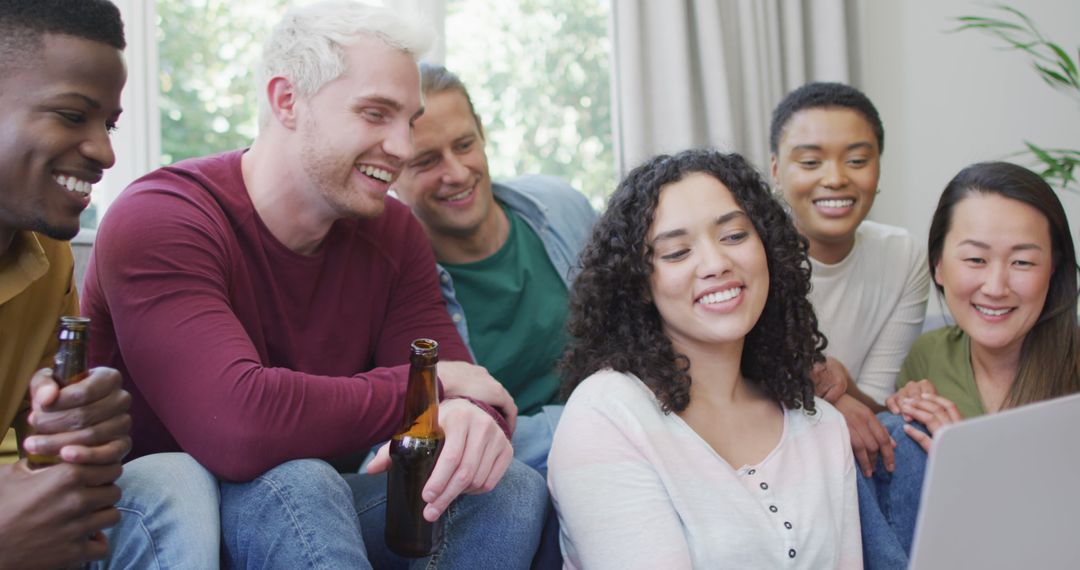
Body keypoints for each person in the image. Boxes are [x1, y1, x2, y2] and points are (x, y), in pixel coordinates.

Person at [81, 1, 547, 568]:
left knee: (508, 489)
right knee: (299, 481)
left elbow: (469, 390)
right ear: (287, 101)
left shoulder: (394, 232)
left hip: (312, 514)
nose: (402, 147)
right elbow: (236, 425)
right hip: (171, 516)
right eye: (376, 114)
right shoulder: (163, 216)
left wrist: (470, 416)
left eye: (408, 120)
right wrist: (430, 392)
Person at [548, 149, 862, 568]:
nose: (716, 263)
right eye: (677, 252)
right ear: (639, 284)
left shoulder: (822, 426)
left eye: (734, 236)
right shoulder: (606, 415)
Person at [859, 161, 1080, 568]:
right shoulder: (928, 356)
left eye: (1022, 263)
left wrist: (971, 464)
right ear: (939, 266)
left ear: (1054, 268)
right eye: (976, 260)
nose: (995, 287)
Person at [392, 62, 597, 473]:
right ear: (393, 172)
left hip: (620, 447)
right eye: (427, 161)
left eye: (465, 145)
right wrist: (590, 427)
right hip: (508, 479)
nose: (455, 172)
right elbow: (450, 444)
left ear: (483, 134)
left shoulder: (561, 209)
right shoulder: (396, 290)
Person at [0, 1, 133, 568]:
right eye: (73, 116)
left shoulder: (52, 258)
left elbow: (33, 453)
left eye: (109, 124)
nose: (105, 152)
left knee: (171, 480)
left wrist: (71, 429)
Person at [769, 82, 931, 478]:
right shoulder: (749, 260)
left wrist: (838, 386)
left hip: (854, 459)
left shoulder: (904, 256)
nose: (836, 178)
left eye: (857, 160)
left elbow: (875, 403)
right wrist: (831, 401)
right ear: (776, 170)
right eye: (810, 163)